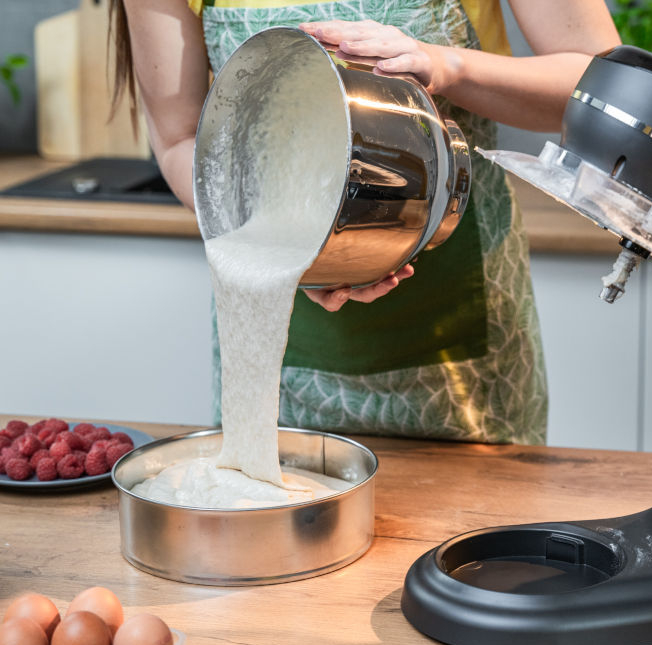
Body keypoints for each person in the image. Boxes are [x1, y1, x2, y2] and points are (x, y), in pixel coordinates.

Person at [111, 0, 621, 445]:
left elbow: (607, 90)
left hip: (462, 346)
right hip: (281, 327)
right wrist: (284, 256)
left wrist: (449, 66)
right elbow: (182, 140)